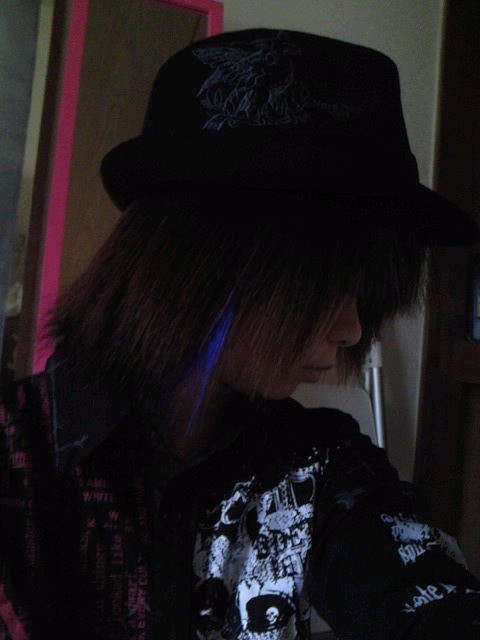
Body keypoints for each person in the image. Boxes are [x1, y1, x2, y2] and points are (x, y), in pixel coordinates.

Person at [1, 28, 479, 640]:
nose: (353, 329)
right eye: (327, 286)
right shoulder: (17, 459)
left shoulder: (319, 466)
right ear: (204, 260)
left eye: (364, 295)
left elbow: (416, 586)